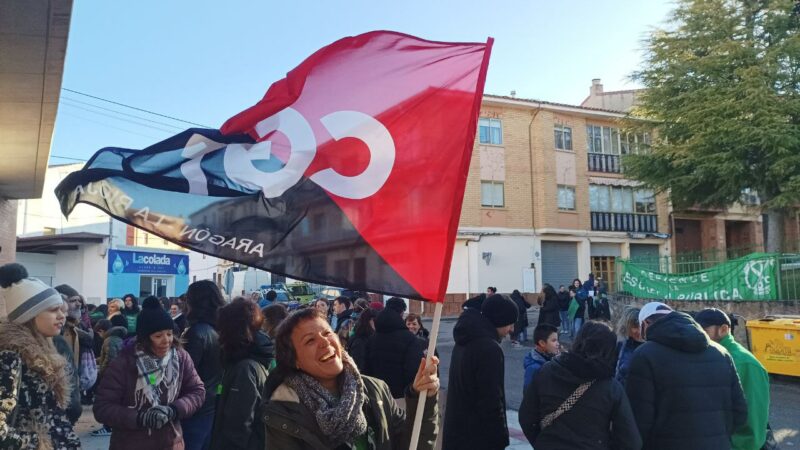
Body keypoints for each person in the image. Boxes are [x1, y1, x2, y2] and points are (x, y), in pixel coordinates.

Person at [261, 308, 440, 449]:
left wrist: (422, 397)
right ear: (295, 361)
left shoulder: (375, 390)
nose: (324, 342)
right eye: (310, 341)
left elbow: (413, 444)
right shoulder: (285, 412)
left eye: (327, 333)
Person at [626, 302, 748, 450]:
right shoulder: (722, 353)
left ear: (645, 324)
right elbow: (740, 413)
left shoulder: (644, 355)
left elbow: (638, 420)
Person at [93, 296, 205, 449]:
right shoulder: (125, 362)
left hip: (170, 441)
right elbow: (102, 408)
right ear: (145, 338)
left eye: (169, 333)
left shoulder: (180, 357)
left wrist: (174, 409)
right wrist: (141, 418)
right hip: (131, 443)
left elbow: (197, 391)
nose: (166, 340)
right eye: (158, 336)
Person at [519, 321, 642, 449]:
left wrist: (542, 442)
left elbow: (526, 417)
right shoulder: (611, 389)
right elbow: (631, 442)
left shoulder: (547, 371)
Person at [0, 263, 82, 449]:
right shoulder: (9, 357)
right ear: (29, 315)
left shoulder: (46, 350)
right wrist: (38, 443)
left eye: (61, 310)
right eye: (53, 310)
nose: (62, 316)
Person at [443, 294, 518, 450]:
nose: (511, 329)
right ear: (499, 320)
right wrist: (499, 440)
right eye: (510, 323)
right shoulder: (489, 349)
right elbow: (491, 400)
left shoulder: (465, 339)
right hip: (479, 438)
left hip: (457, 433)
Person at [696, 308, 770, 450]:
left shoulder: (745, 363)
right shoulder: (710, 355)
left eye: (704, 330)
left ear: (723, 329)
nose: (699, 335)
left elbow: (754, 420)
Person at [210, 298, 274, 450]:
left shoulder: (245, 368)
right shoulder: (249, 357)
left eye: (222, 327)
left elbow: (239, 426)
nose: (218, 332)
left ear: (231, 329)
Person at [181, 280, 225, 450]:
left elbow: (185, 373)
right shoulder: (219, 330)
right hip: (211, 401)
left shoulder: (196, 332)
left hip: (194, 405)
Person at [364, 297, 427, 402]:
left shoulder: (372, 339)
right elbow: (414, 371)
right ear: (401, 314)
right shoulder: (409, 339)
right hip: (401, 398)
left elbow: (366, 369)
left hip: (376, 396)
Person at [56, 284, 97, 405]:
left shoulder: (79, 326)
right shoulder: (55, 329)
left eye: (79, 301)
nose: (78, 304)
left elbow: (90, 343)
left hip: (74, 380)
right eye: (73, 301)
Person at [91, 316, 128, 437]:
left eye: (98, 333)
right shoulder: (117, 338)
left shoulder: (109, 340)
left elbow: (110, 359)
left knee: (107, 402)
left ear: (101, 331)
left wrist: (102, 372)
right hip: (119, 375)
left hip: (110, 376)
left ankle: (108, 427)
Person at [522, 324, 559, 391]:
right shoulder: (534, 368)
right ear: (542, 343)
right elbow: (528, 393)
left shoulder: (552, 358)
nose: (558, 344)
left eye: (557, 340)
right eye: (554, 340)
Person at [615, 307, 643, 385]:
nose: (638, 331)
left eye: (640, 326)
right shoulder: (621, 345)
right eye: (634, 327)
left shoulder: (651, 347)